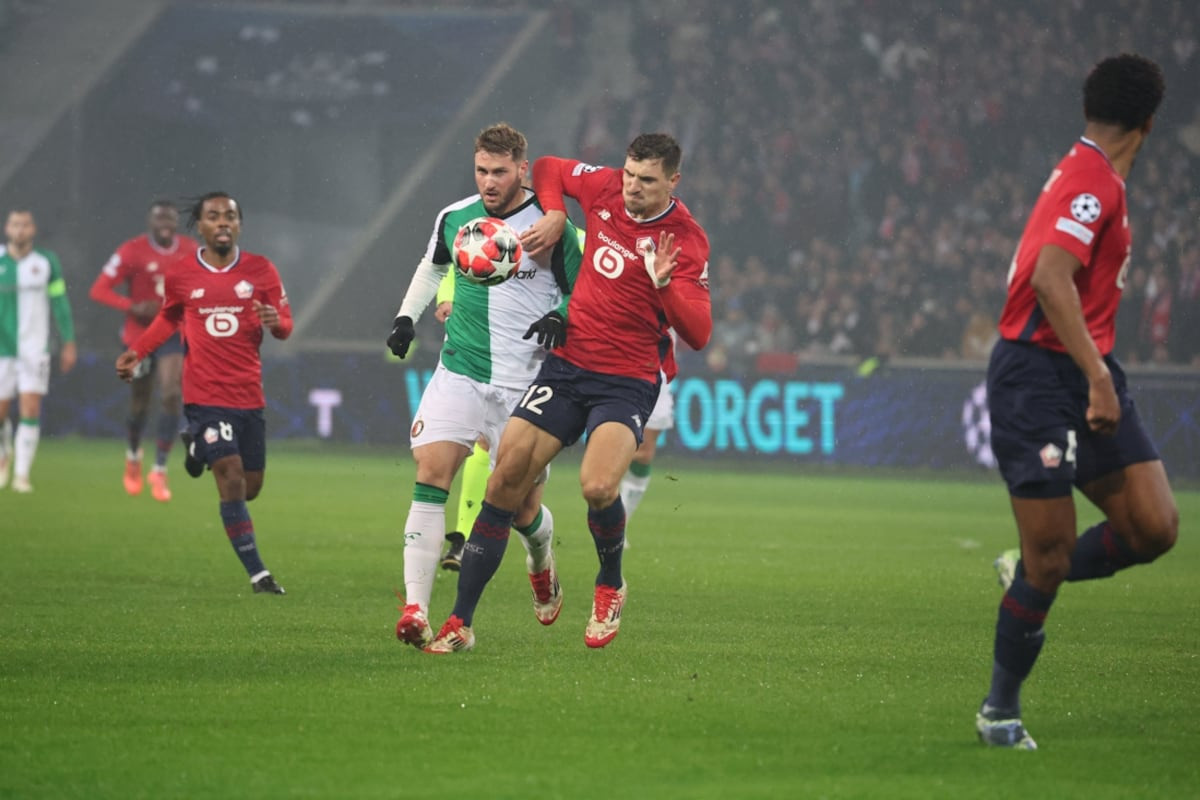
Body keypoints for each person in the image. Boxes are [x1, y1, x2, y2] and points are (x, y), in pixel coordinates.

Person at [425, 132, 712, 653]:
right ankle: (459, 623)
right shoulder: (604, 187)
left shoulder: (685, 240)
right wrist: (555, 213)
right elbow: (553, 167)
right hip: (567, 367)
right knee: (503, 483)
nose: (631, 188)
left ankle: (610, 584)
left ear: (673, 181)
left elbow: (699, 333)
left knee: (598, 487)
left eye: (646, 181)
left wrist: (666, 285)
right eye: (628, 174)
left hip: (626, 380)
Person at [978, 54, 1178, 750]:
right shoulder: (1092, 182)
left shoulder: (1090, 173)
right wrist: (1098, 377)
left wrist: (1097, 372)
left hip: (1084, 364)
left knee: (1154, 527)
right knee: (1054, 555)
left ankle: (1023, 567)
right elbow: (1048, 279)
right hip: (1038, 373)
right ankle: (999, 710)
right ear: (1150, 123)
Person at [385, 122, 582, 648]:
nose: (489, 181)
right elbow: (433, 268)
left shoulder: (552, 224)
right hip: (461, 369)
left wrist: (562, 314)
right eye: (481, 170)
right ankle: (416, 611)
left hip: (527, 383)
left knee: (518, 508)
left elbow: (584, 288)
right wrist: (406, 317)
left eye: (500, 171)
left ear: (523, 168)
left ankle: (541, 558)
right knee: (432, 472)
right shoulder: (455, 217)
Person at [116, 192, 291, 595]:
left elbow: (285, 326)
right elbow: (168, 318)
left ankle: (196, 448)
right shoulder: (181, 275)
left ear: (239, 224)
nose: (223, 222)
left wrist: (274, 321)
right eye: (214, 216)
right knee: (229, 479)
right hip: (204, 397)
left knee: (251, 487)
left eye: (230, 215)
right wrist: (136, 351)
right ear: (201, 227)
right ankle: (259, 575)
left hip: (248, 396)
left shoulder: (261, 270)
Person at [90, 200, 197, 502]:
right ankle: (134, 457)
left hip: (173, 333)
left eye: (171, 219)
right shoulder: (131, 250)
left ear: (177, 223)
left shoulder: (190, 249)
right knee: (140, 402)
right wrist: (132, 306)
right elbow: (99, 289)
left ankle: (159, 470)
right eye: (159, 218)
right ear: (150, 222)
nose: (165, 224)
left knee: (172, 394)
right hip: (139, 336)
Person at [0, 209, 77, 493]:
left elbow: (59, 302)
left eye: (25, 225)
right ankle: (4, 454)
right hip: (1, 349)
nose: (20, 230)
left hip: (34, 348)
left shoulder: (46, 262)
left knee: (31, 407)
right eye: (15, 224)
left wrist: (69, 341)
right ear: (8, 228)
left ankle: (21, 475)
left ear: (33, 229)